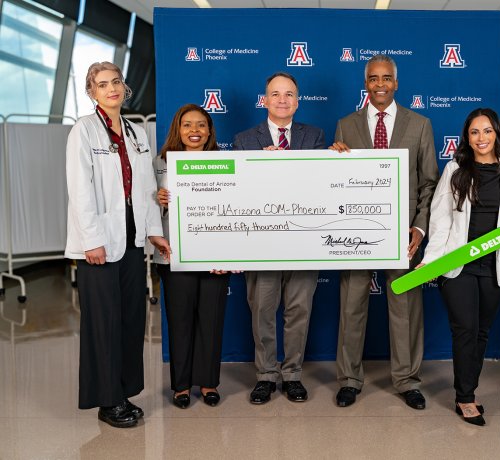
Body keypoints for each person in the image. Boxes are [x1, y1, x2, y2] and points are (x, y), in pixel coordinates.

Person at [65, 62, 170, 428]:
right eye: (102, 84)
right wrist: (91, 240)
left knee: (129, 319)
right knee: (104, 322)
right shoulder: (84, 131)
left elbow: (146, 191)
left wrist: (154, 231)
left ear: (125, 89)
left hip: (131, 239)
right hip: (99, 244)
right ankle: (108, 401)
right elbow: (80, 192)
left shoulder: (136, 132)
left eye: (116, 82)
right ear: (92, 92)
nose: (111, 88)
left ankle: (123, 392)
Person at [330, 54, 439, 409]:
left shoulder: (420, 124)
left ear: (396, 82)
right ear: (366, 83)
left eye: (386, 78)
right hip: (356, 233)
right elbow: (336, 181)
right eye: (373, 78)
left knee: (405, 307)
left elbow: (429, 183)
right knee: (351, 305)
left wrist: (420, 228)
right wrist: (334, 158)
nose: (380, 84)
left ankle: (407, 380)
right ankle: (349, 379)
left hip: (402, 235)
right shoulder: (346, 125)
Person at [419, 108, 500, 425]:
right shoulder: (455, 169)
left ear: (497, 134)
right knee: (465, 330)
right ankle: (465, 398)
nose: (481, 138)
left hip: (496, 266)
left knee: (481, 332)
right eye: (474, 132)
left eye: (487, 131)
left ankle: (470, 389)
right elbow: (439, 220)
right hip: (459, 264)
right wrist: (430, 261)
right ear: (467, 137)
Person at [233, 72, 325, 404]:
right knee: (262, 309)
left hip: (304, 240)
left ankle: (293, 374)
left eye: (289, 94)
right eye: (275, 94)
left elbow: (318, 184)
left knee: (299, 309)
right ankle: (266, 375)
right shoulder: (245, 140)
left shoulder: (314, 137)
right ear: (265, 100)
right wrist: (262, 166)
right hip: (262, 242)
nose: (282, 99)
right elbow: (240, 191)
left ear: (298, 101)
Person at [154, 104, 232, 409]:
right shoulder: (160, 164)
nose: (195, 131)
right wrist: (158, 200)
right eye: (188, 125)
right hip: (175, 253)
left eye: (201, 125)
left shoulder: (225, 162)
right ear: (178, 129)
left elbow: (237, 206)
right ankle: (182, 385)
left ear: (210, 131)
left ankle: (209, 382)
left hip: (215, 256)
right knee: (180, 320)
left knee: (211, 321)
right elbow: (148, 212)